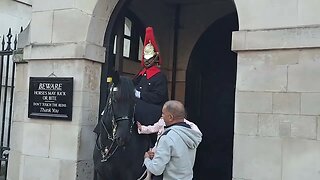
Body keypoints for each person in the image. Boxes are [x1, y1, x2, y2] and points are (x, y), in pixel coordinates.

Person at [144, 100, 202, 180]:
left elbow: (156, 170)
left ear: (170, 117)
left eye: (163, 113)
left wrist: (146, 159)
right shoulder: (191, 133)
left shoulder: (167, 137)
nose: (161, 116)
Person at [133, 26, 168, 144]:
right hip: (138, 106)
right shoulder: (140, 74)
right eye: (145, 57)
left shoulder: (160, 76)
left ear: (155, 58)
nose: (147, 60)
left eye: (150, 58)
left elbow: (159, 96)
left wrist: (140, 94)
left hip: (153, 109)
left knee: (137, 106)